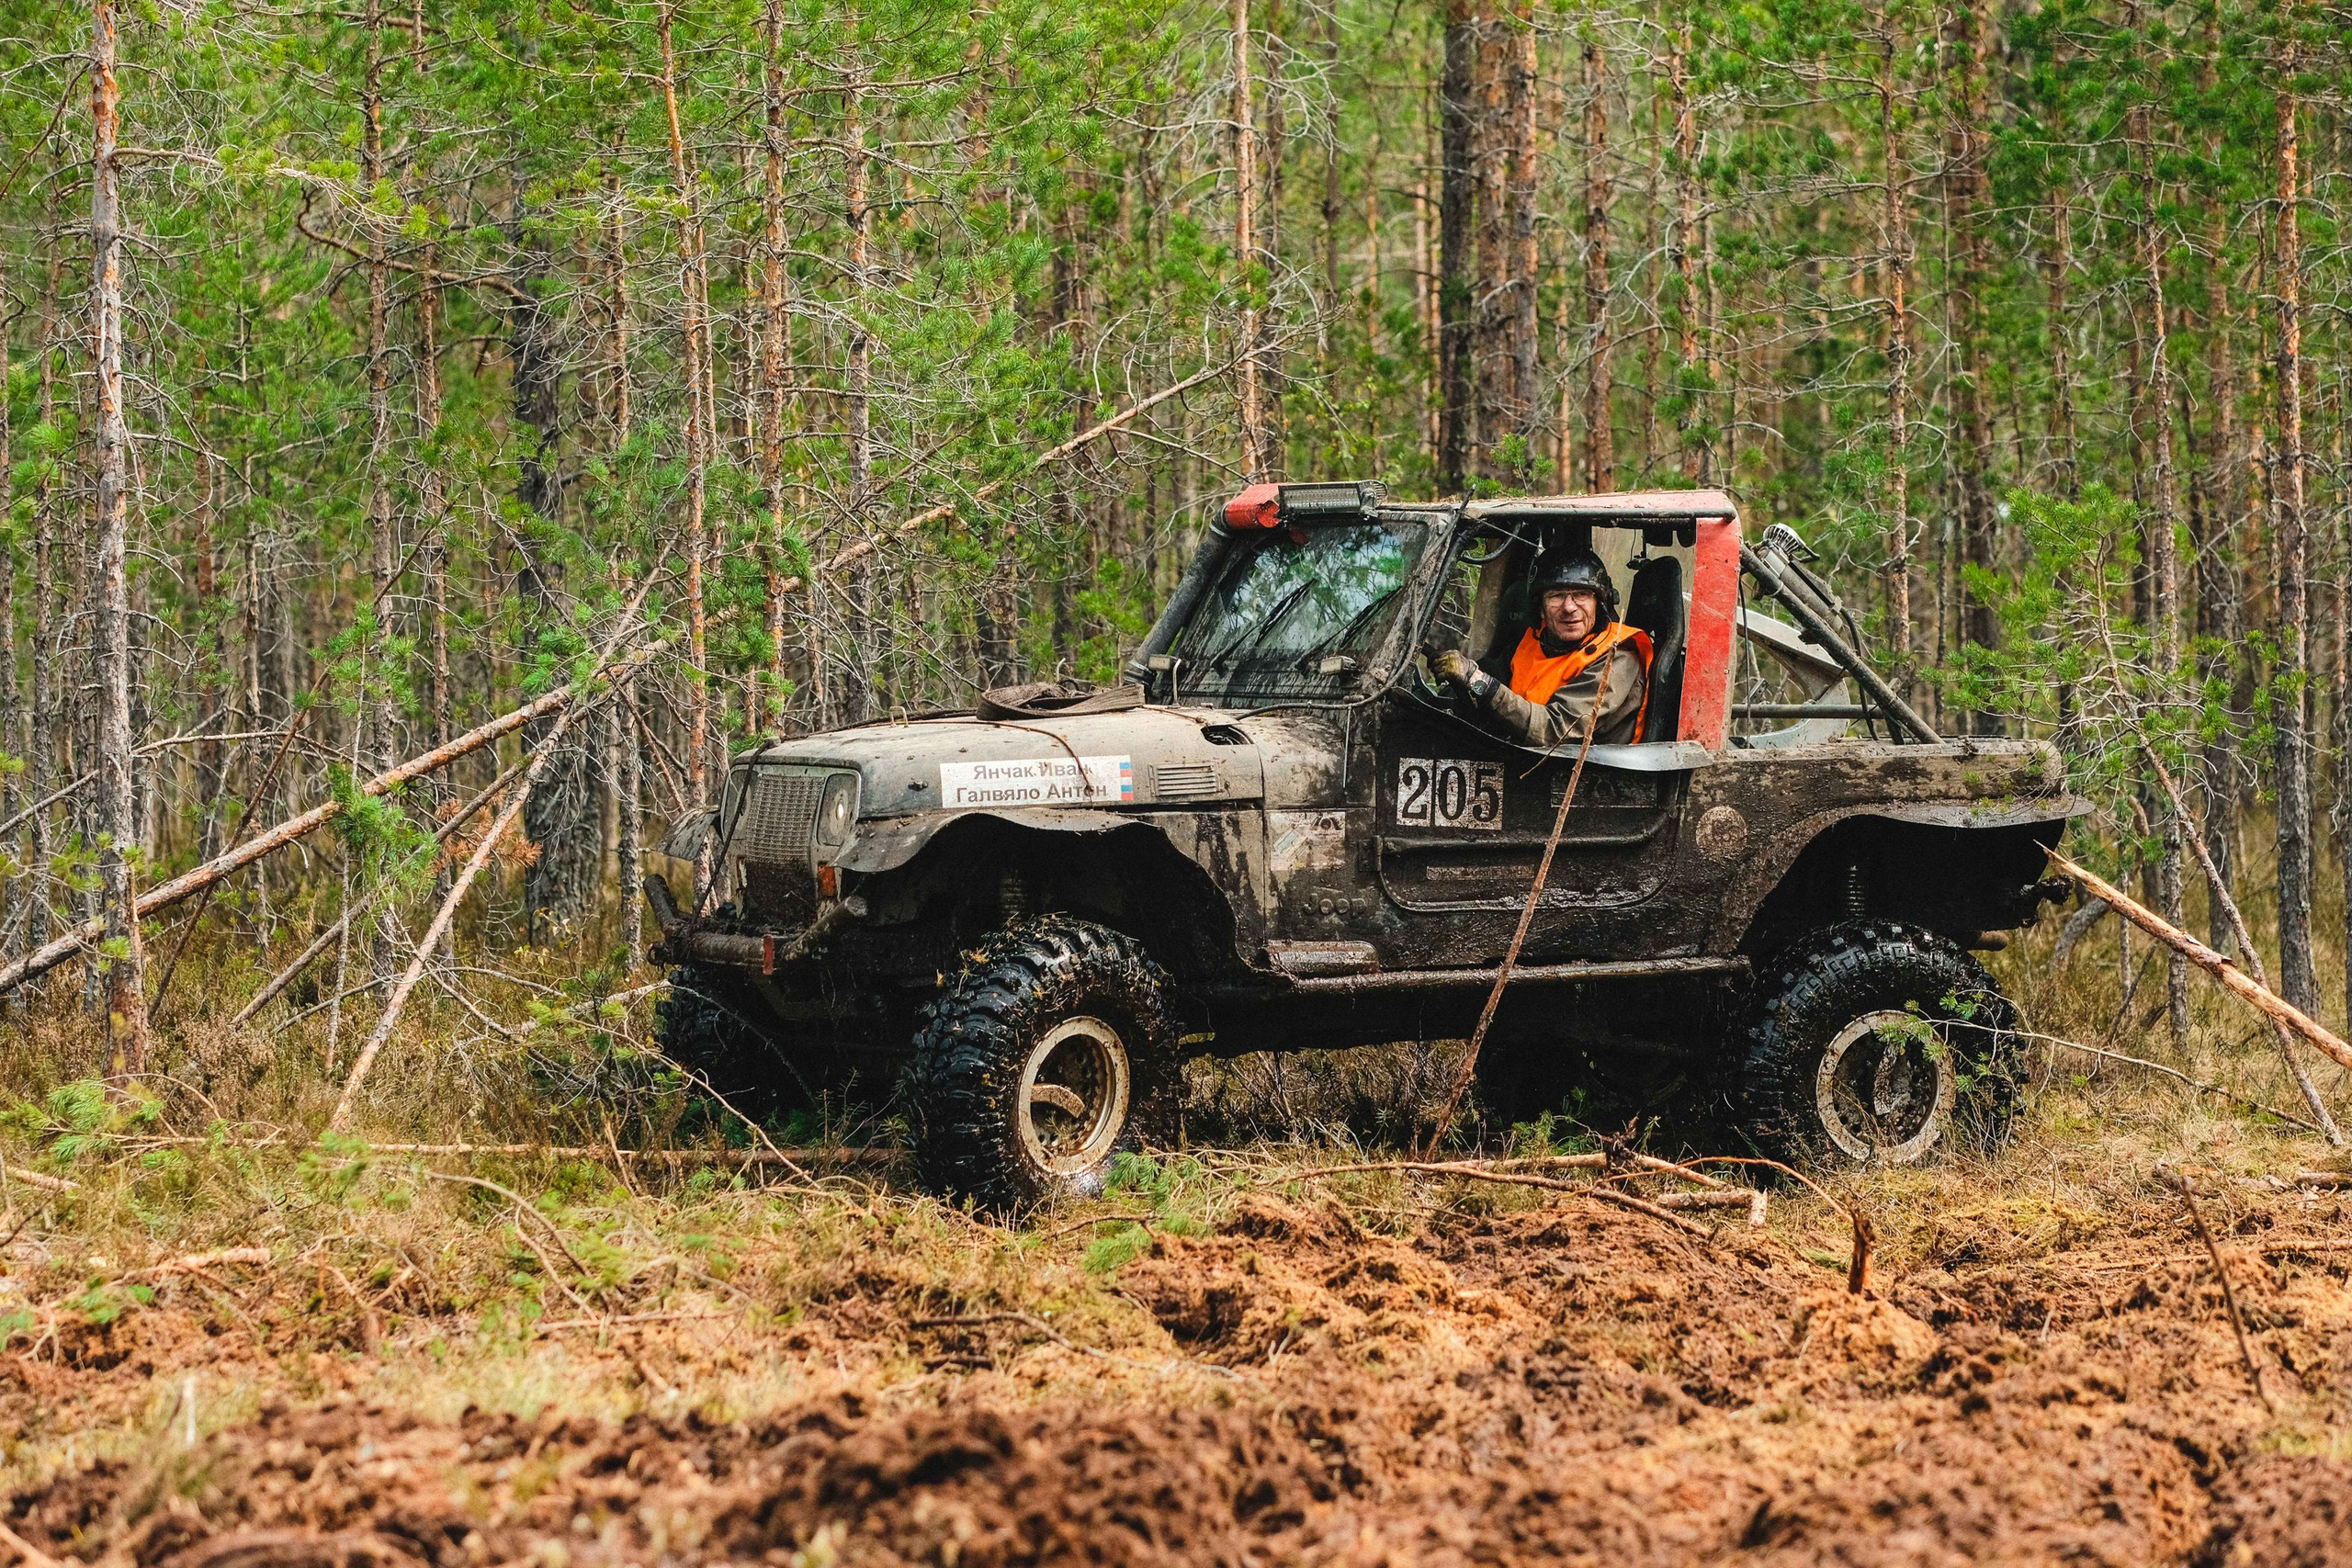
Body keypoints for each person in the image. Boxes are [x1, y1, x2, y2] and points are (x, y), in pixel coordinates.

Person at [1429, 548, 1650, 747]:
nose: (1569, 607)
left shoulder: (1617, 659)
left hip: (1584, 779)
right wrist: (1459, 678)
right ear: (1541, 609)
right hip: (1525, 764)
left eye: (1581, 594)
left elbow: (1555, 729)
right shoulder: (1532, 644)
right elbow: (1488, 689)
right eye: (1556, 596)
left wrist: (1477, 681)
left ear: (1599, 604)